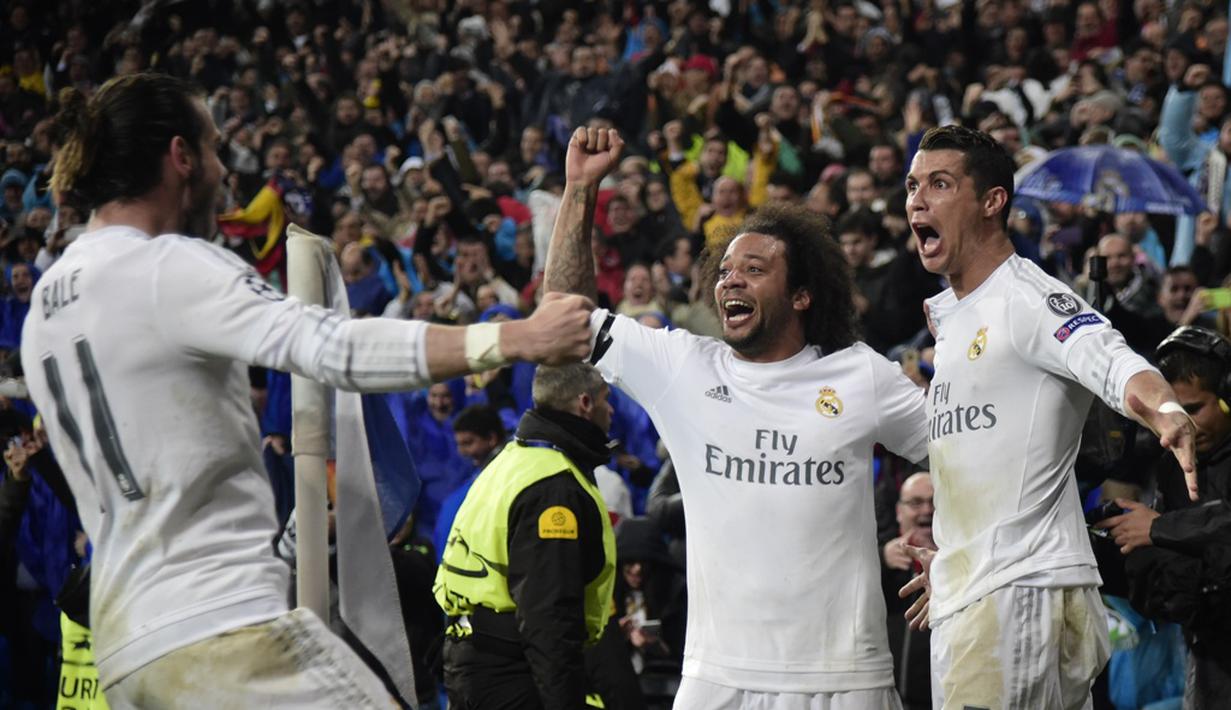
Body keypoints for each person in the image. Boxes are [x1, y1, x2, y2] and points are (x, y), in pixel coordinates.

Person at [21, 73, 595, 708]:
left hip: (122, 646)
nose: (222, 170)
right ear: (180, 157)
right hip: (217, 627)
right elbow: (332, 348)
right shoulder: (168, 268)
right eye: (213, 149)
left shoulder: (45, 303)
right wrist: (515, 338)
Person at [546, 127, 929, 708]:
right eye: (725, 270)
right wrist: (578, 191)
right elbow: (565, 318)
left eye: (753, 269)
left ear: (801, 295)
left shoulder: (860, 375)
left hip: (845, 679)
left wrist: (960, 555)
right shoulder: (683, 366)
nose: (731, 279)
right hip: (716, 677)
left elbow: (962, 454)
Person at [900, 124, 1198, 709]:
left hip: (1018, 591)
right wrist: (960, 562)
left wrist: (1164, 409)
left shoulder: (1027, 298)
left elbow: (1110, 359)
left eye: (939, 183)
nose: (917, 199)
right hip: (983, 588)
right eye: (912, 185)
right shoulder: (957, 317)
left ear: (992, 202)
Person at [433, 362, 618, 709]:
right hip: (513, 671)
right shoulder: (554, 487)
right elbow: (548, 614)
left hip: (472, 658)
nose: (611, 409)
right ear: (584, 403)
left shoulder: (510, 462)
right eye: (606, 399)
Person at [1098, 326, 1231, 707]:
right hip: (1207, 654)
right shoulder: (1170, 463)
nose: (1184, 424)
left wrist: (1159, 528)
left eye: (1194, 409)